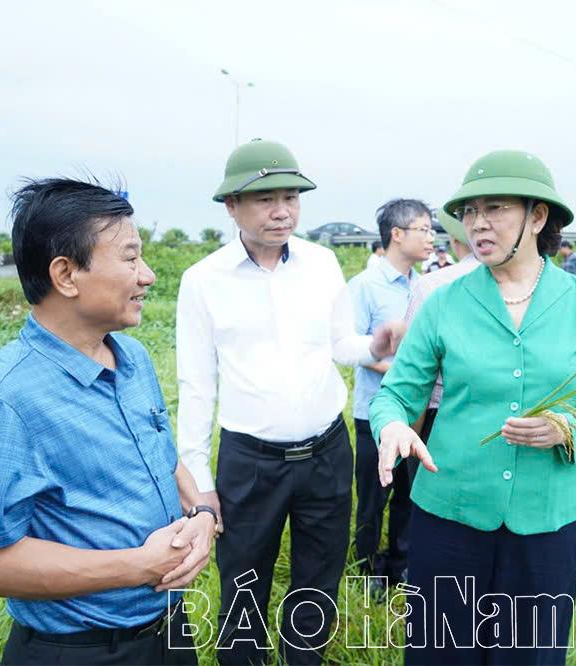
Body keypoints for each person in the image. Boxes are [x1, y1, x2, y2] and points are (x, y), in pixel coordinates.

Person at [370, 150, 576, 665]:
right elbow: (398, 393)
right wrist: (393, 425)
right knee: (438, 654)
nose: (478, 224)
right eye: (470, 212)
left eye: (495, 209)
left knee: (529, 657)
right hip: (449, 517)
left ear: (538, 217)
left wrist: (567, 427)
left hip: (546, 527)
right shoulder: (444, 302)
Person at [0, 178, 215, 665]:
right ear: (66, 275)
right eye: (130, 259)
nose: (148, 275)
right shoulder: (3, 401)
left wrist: (202, 516)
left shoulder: (132, 358)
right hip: (80, 651)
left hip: (170, 631)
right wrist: (138, 566)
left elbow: (162, 460)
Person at [176, 139, 405, 665]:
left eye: (291, 197)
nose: (282, 211)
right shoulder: (202, 281)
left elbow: (338, 343)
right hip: (249, 463)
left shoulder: (322, 263)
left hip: (326, 452)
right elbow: (196, 387)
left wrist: (374, 345)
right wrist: (201, 484)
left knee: (318, 583)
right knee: (243, 585)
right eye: (265, 199)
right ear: (231, 206)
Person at [348, 198, 434, 592]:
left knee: (408, 496)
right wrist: (407, 373)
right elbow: (357, 350)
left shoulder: (425, 285)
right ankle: (364, 571)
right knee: (372, 499)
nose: (431, 238)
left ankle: (398, 567)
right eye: (423, 229)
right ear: (397, 235)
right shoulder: (365, 286)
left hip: (415, 416)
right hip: (374, 413)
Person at [403, 210, 481, 481]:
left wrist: (412, 440)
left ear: (456, 242)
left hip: (441, 420)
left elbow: (414, 380)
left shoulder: (433, 285)